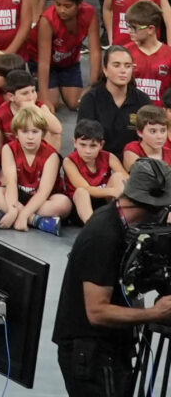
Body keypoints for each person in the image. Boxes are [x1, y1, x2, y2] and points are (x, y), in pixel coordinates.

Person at [53, 157, 171, 395]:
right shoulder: (102, 235)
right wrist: (155, 313)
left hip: (111, 349)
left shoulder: (128, 228)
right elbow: (97, 312)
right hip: (91, 354)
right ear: (151, 206)